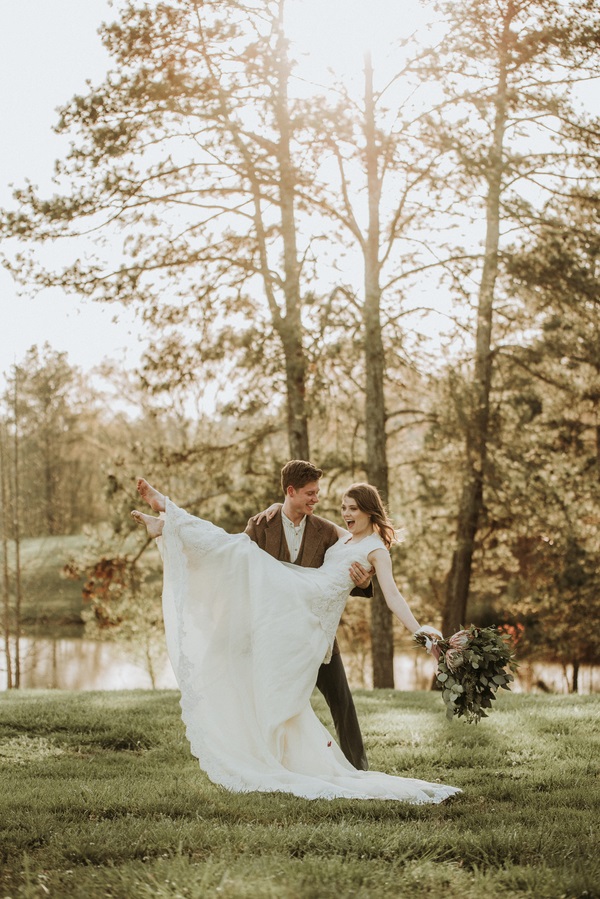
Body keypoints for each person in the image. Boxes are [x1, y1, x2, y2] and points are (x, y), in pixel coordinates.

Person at [132, 477, 460, 803]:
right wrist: (278, 507)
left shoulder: (377, 550)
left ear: (370, 512)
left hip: (307, 608)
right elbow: (319, 538)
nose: (346, 514)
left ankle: (169, 519)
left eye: (354, 509)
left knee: (241, 553)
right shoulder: (344, 536)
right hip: (297, 602)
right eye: (343, 507)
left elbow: (393, 596)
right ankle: (168, 518)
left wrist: (423, 635)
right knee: (237, 550)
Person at [245, 460, 371, 771]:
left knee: (342, 701)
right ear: (291, 491)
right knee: (269, 702)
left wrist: (365, 582)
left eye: (317, 493)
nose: (316, 499)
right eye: (310, 493)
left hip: (316, 633)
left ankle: (358, 768)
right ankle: (270, 764)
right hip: (274, 635)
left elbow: (357, 550)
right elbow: (236, 567)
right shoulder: (260, 526)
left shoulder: (326, 531)